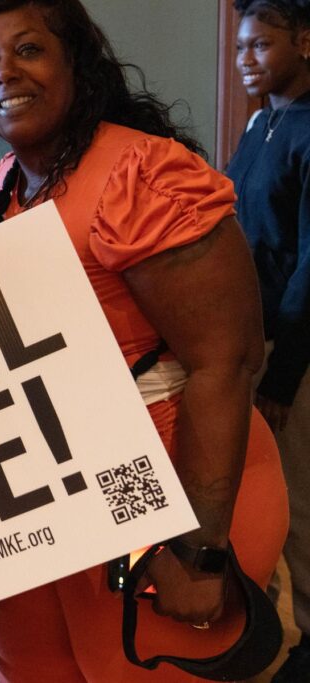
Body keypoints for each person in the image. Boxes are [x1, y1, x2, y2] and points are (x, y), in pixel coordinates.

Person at [0, 0, 288, 680]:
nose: (4, 73)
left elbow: (227, 361)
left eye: (28, 50)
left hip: (173, 482)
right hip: (57, 490)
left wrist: (199, 550)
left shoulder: (140, 174)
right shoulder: (6, 182)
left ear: (75, 63)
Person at [227, 2, 310, 680]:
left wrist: (282, 379)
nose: (246, 56)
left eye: (262, 44)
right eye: (240, 46)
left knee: (300, 504)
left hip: (296, 351)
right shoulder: (260, 123)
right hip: (250, 345)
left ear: (304, 42)